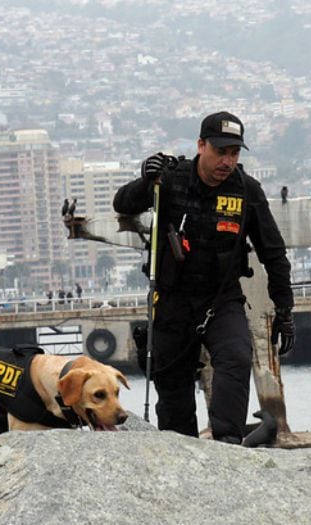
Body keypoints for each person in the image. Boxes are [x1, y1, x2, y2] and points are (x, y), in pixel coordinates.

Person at [113, 111, 295, 444]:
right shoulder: (171, 179)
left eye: (235, 153)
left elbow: (274, 253)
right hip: (171, 300)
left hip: (221, 300)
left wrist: (285, 312)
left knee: (236, 357)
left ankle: (227, 442)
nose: (228, 160)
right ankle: (182, 449)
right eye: (221, 151)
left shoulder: (246, 191)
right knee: (172, 388)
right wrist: (145, 180)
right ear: (201, 145)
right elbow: (122, 204)